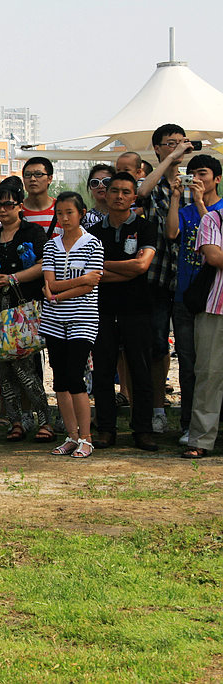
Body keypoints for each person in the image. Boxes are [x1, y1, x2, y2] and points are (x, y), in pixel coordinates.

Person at [0, 177, 53, 442]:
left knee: (27, 368)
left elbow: (44, 265)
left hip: (25, 309)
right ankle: (16, 421)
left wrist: (14, 278)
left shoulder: (32, 233)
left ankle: (44, 421)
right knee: (4, 370)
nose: (2, 210)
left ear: (20, 206)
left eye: (8, 205)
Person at [89, 172, 158, 451]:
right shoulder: (93, 233)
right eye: (114, 190)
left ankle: (142, 430)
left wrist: (107, 265)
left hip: (137, 309)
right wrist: (127, 267)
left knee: (140, 371)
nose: (119, 196)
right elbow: (93, 276)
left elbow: (142, 267)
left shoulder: (146, 227)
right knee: (103, 370)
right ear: (105, 194)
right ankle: (106, 429)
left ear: (134, 196)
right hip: (101, 310)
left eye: (125, 192)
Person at [140, 125, 196, 435]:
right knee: (158, 346)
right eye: (169, 144)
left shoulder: (192, 184)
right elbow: (141, 192)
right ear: (158, 149)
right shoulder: (153, 181)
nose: (176, 149)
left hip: (189, 279)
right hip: (159, 277)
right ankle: (158, 409)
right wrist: (171, 158)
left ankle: (190, 415)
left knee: (190, 352)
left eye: (180, 143)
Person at [40, 192, 103, 458]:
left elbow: (92, 284)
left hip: (83, 318)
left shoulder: (93, 244)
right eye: (60, 213)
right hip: (54, 320)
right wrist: (77, 283)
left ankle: (86, 438)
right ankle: (71, 435)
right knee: (60, 379)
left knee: (76, 376)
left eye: (70, 213)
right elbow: (50, 282)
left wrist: (59, 293)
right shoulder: (51, 245)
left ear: (82, 213)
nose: (64, 218)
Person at [167, 154, 223, 445]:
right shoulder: (187, 208)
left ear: (217, 179)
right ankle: (189, 425)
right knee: (190, 365)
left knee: (211, 367)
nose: (196, 180)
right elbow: (172, 232)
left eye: (202, 174)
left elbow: (214, 239)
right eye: (192, 175)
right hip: (187, 294)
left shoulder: (219, 210)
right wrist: (177, 198)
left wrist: (201, 204)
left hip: (214, 294)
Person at [181, 208, 223, 458]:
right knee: (209, 375)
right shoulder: (213, 218)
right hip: (214, 309)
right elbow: (214, 256)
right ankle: (201, 439)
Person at [21, 157, 57, 235]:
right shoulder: (16, 210)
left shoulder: (61, 209)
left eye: (38, 174)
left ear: (50, 179)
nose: (32, 179)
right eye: (27, 175)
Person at [83, 164, 115, 229]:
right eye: (95, 182)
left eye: (106, 181)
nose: (100, 186)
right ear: (90, 187)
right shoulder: (84, 220)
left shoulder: (125, 217)